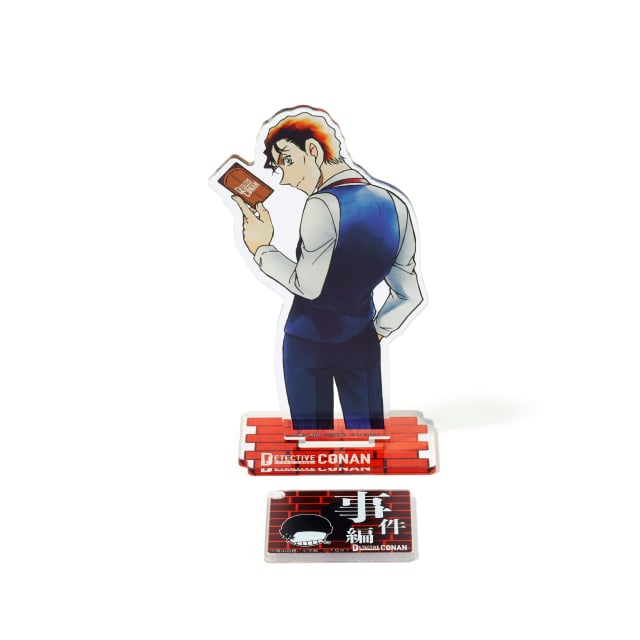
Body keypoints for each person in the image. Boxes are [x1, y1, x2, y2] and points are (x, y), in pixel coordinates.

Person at [232, 110, 424, 429]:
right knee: (369, 444)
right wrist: (376, 331)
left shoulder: (321, 205)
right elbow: (410, 295)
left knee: (310, 445)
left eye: (287, 161)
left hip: (307, 343)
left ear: (313, 150)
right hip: (362, 343)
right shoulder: (396, 205)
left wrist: (261, 248)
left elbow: (308, 286)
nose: (285, 178)